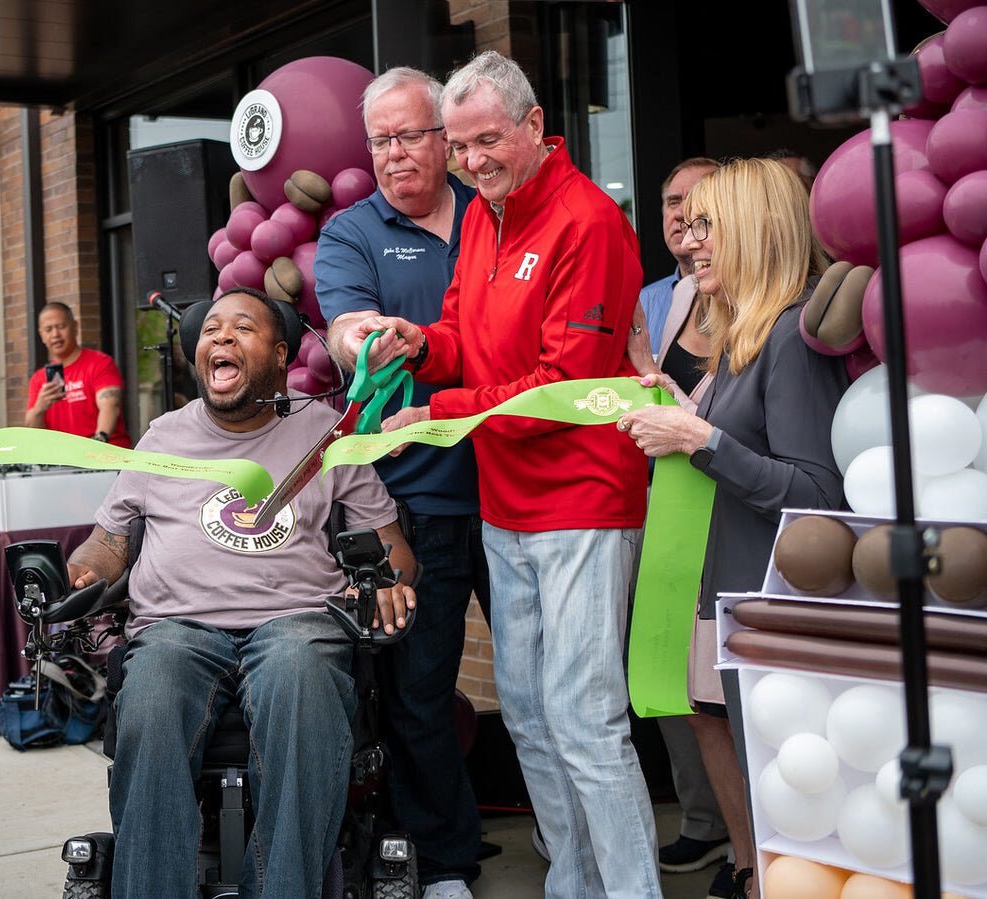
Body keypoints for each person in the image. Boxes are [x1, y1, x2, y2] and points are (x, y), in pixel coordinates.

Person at [342, 51, 661, 898]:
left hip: (585, 500)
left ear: (533, 127)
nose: (473, 160)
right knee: (524, 712)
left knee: (586, 721)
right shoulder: (484, 213)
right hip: (503, 499)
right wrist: (421, 345)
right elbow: (459, 335)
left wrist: (441, 411)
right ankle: (575, 884)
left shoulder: (588, 222)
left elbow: (566, 383)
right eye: (461, 147)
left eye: (489, 141)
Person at [66, 288, 417, 897]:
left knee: (299, 677)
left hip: (296, 621)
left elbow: (394, 551)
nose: (220, 337)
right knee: (149, 703)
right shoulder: (162, 437)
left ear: (280, 356)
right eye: (210, 330)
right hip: (174, 628)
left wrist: (388, 582)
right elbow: (107, 544)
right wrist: (81, 573)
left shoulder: (327, 434)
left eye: (242, 328)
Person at [620, 158, 847, 899]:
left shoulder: (789, 334)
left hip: (777, 620)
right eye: (688, 224)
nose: (689, 241)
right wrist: (682, 406)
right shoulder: (749, 333)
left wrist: (698, 439)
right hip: (743, 616)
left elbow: (817, 493)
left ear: (756, 230)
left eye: (708, 224)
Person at [314, 66, 492, 898]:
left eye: (409, 135)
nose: (393, 154)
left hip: (529, 493)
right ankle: (446, 861)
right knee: (419, 689)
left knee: (541, 696)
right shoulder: (354, 230)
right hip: (419, 500)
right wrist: (364, 339)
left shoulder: (494, 213)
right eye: (379, 140)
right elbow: (343, 322)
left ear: (444, 139)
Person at [634, 158, 733, 884]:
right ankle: (705, 822)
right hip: (666, 506)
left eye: (700, 209)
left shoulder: (766, 302)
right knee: (677, 682)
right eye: (672, 205)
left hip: (736, 511)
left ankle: (759, 842)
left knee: (730, 687)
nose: (682, 220)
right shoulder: (650, 299)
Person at [640, 158, 719, 354]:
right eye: (673, 201)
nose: (680, 213)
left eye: (696, 200)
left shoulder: (753, 302)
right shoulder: (643, 302)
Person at [25, 302, 130, 446]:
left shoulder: (100, 363)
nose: (55, 334)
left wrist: (99, 440)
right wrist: (39, 408)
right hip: (63, 461)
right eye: (48, 329)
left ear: (75, 327)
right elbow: (33, 433)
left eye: (61, 326)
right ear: (41, 335)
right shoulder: (38, 379)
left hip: (105, 455)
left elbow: (110, 405)